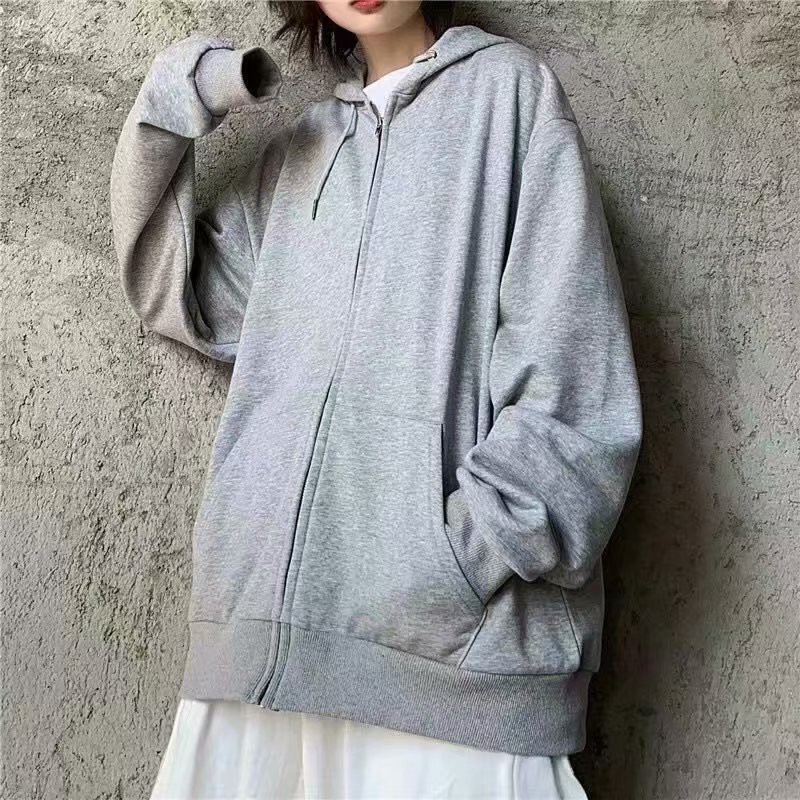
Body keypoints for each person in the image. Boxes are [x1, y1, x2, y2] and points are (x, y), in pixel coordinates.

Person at [109, 1, 642, 797]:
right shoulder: (303, 149)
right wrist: (180, 92)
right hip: (259, 661)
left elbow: (576, 391)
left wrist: (452, 567)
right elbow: (169, 288)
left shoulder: (511, 96)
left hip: (455, 666)